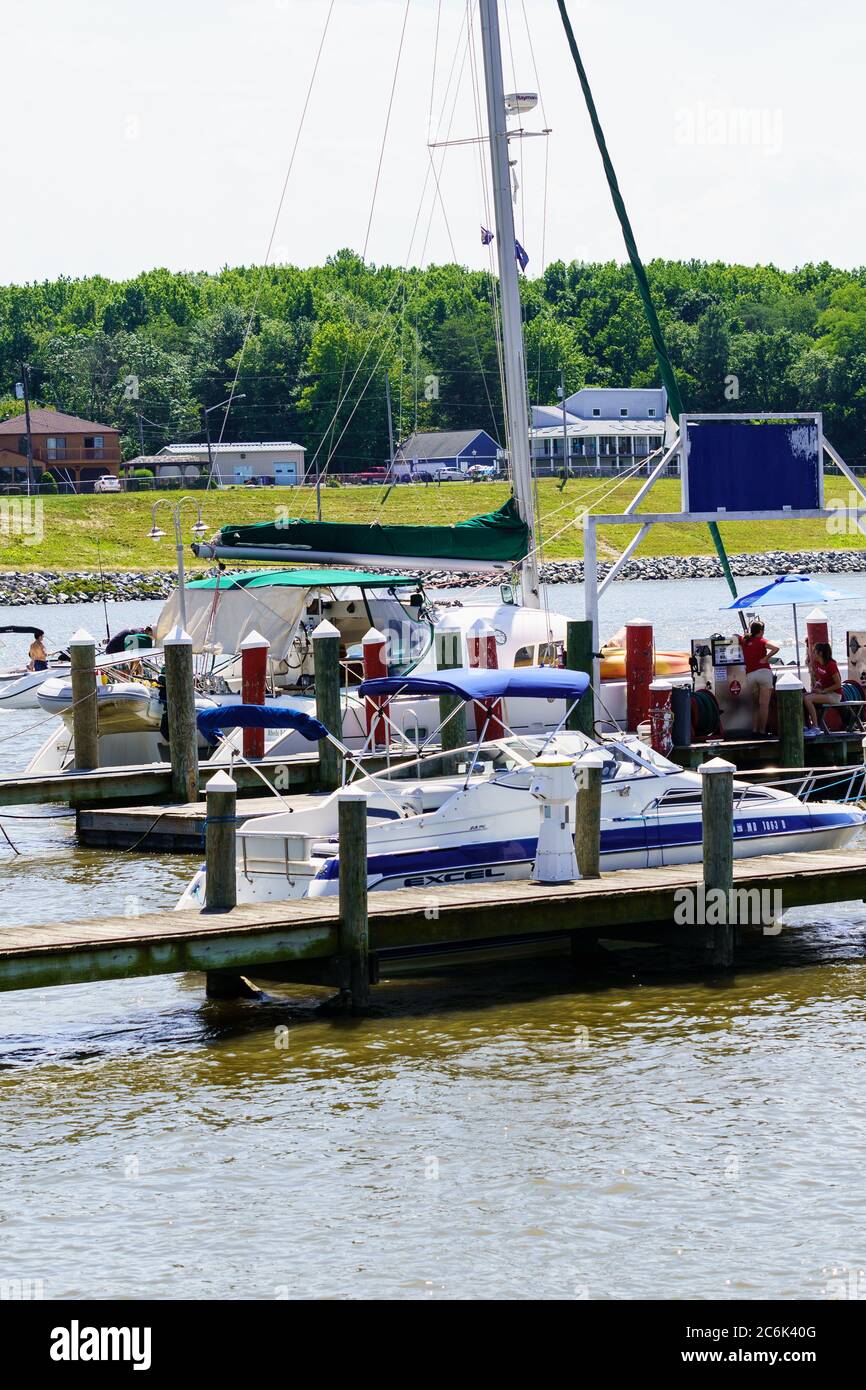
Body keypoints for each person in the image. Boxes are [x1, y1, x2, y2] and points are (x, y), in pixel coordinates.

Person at [736, 620, 779, 736]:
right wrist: (766, 658)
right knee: (764, 704)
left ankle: (754, 730)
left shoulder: (745, 640)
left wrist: (745, 634)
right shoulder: (762, 641)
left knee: (755, 704)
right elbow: (776, 648)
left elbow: (735, 636)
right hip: (764, 673)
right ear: (761, 631)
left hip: (750, 675)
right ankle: (762, 731)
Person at [804, 640, 843, 736]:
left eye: (814, 652)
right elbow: (821, 680)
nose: (812, 654)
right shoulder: (817, 664)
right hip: (825, 693)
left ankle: (816, 727)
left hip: (835, 695)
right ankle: (805, 725)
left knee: (808, 699)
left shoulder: (831, 665)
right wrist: (816, 686)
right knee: (802, 696)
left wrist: (823, 691)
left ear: (820, 653)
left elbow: (838, 684)